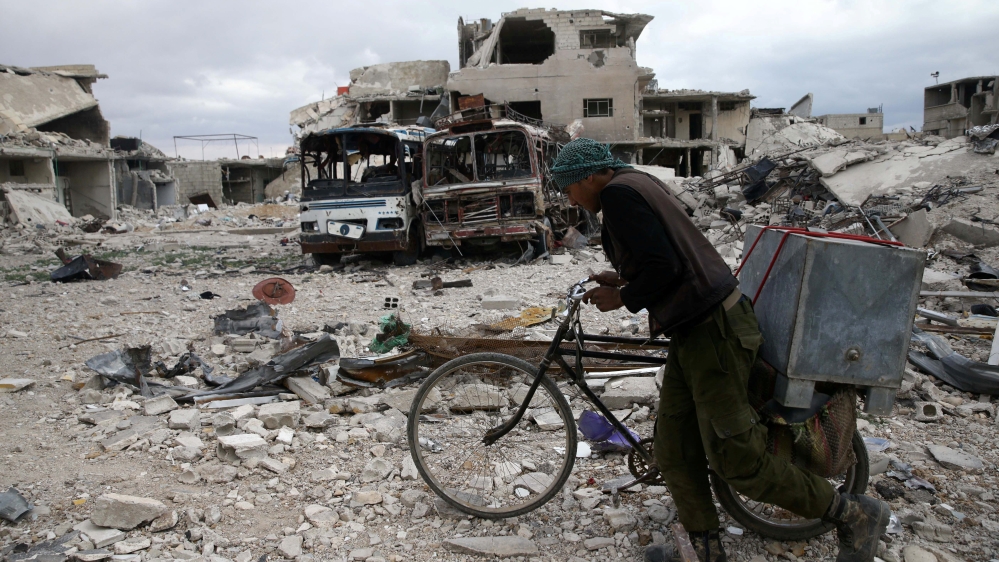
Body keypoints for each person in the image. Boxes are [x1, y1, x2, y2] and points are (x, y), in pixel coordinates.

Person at [549, 138, 889, 562]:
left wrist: (624, 297)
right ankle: (707, 549)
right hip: (695, 333)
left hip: (714, 333)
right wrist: (624, 279)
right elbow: (669, 256)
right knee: (674, 448)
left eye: (568, 188)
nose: (570, 198)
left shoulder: (617, 195)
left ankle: (853, 513)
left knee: (737, 459)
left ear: (588, 177)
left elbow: (665, 266)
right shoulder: (637, 182)